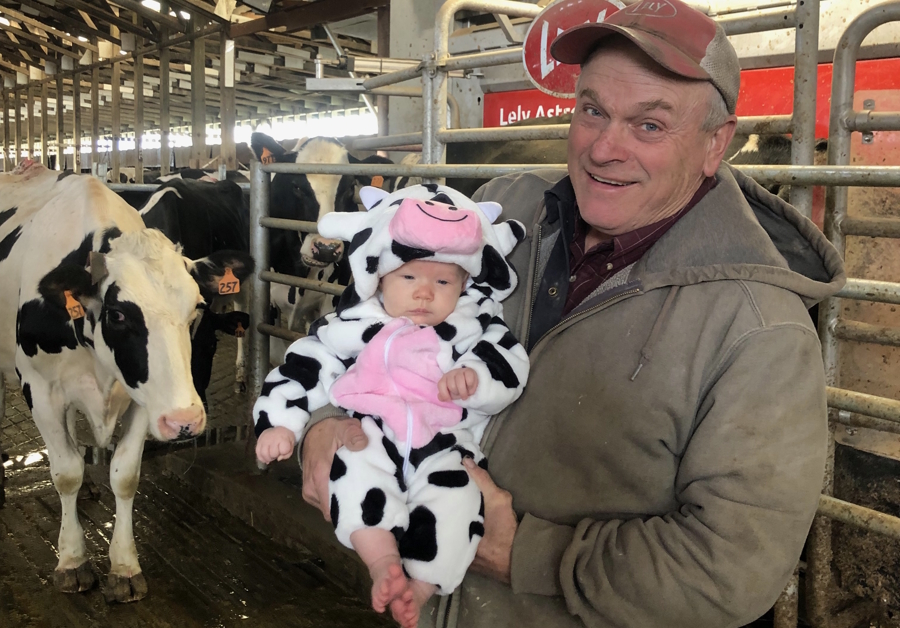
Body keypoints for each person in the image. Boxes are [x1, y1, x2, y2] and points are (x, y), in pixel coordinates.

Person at [294, 1, 847, 626]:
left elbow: (727, 571)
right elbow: (369, 324)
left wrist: (522, 553)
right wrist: (326, 419)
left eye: (649, 125)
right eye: (592, 111)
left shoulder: (758, 329)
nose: (605, 148)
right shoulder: (499, 214)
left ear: (716, 143)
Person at [252, 183, 530, 628]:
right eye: (408, 278)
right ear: (379, 277)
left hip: (442, 444)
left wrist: (475, 380)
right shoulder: (356, 323)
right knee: (352, 471)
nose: (424, 293)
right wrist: (281, 424)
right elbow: (307, 364)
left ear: (464, 283)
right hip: (369, 431)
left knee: (458, 499)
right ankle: (381, 561)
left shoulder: (474, 325)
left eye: (442, 281)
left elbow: (508, 363)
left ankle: (422, 586)